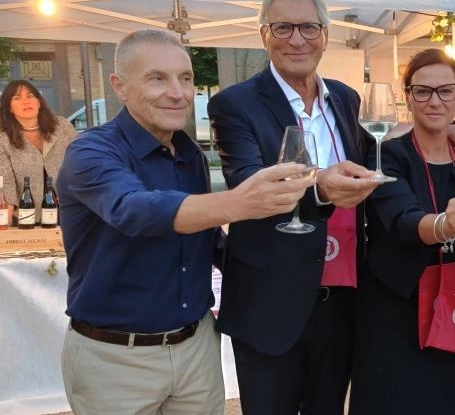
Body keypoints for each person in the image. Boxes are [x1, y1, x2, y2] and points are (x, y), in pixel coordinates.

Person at [57, 29, 310, 415]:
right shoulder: (90, 151)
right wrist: (240, 202)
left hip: (196, 351)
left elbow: (207, 241)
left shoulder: (188, 152)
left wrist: (288, 277)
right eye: (157, 78)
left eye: (186, 78)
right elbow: (134, 209)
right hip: (115, 360)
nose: (177, 92)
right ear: (119, 87)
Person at [208, 0, 381, 415]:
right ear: (264, 35)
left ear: (325, 34)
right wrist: (321, 184)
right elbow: (248, 181)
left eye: (307, 27)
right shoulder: (235, 104)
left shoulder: (344, 97)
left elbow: (366, 158)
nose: (296, 39)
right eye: (282, 27)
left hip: (341, 297)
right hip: (271, 300)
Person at [349, 49, 455, 414]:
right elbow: (402, 221)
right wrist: (446, 223)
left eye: (445, 91)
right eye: (422, 91)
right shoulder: (388, 155)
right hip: (397, 309)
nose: (434, 101)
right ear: (407, 96)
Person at [0, 79, 77, 224]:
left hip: (68, 210)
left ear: (39, 102)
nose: (26, 101)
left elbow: (79, 163)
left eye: (30, 96)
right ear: (9, 107)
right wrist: (5, 228)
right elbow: (6, 185)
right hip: (26, 216)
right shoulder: (3, 138)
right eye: (17, 98)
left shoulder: (62, 126)